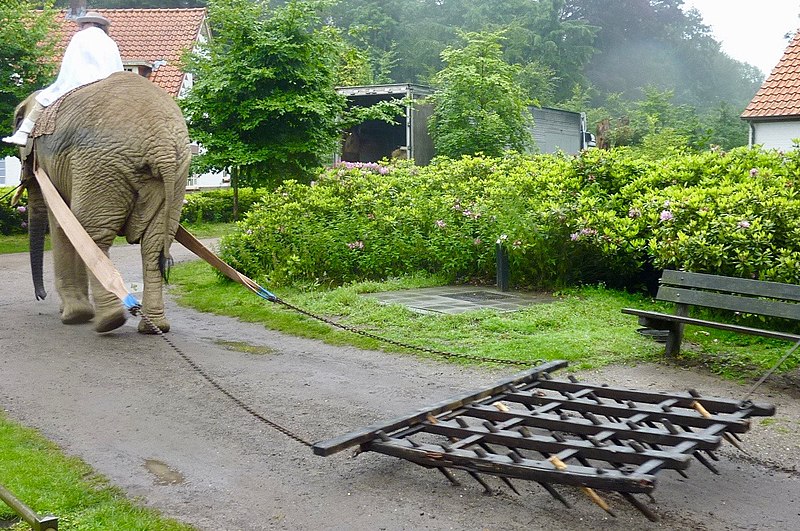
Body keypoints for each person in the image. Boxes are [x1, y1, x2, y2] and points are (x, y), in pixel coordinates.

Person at [3, 11, 123, 146]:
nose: (81, 27)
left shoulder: (80, 37)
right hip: (109, 86)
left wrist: (65, 81)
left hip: (79, 83)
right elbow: (117, 68)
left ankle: (22, 133)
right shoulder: (110, 42)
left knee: (43, 100)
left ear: (87, 24)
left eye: (82, 25)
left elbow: (70, 64)